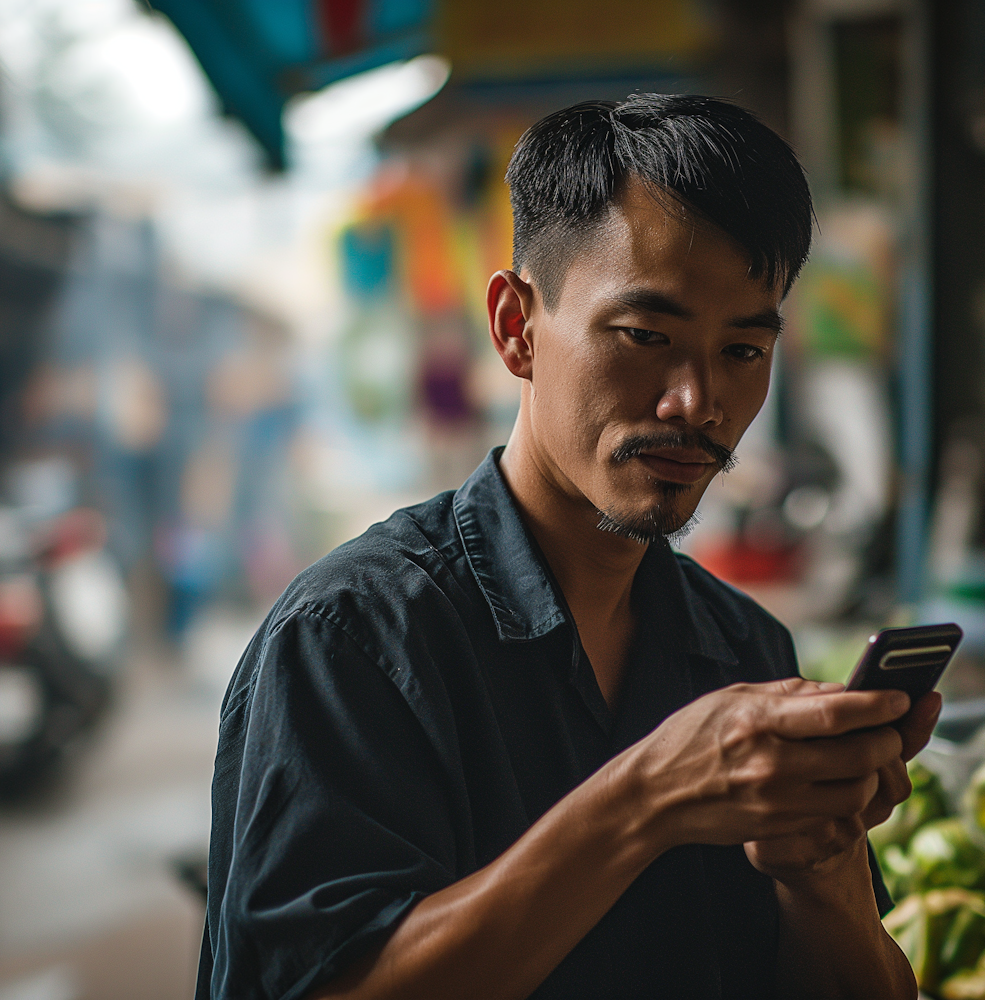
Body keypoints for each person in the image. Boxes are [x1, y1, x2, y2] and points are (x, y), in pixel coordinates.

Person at [196, 94, 941, 1000]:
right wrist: (644, 801)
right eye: (645, 337)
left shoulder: (743, 650)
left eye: (743, 351)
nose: (695, 401)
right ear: (516, 326)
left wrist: (822, 879)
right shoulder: (354, 639)